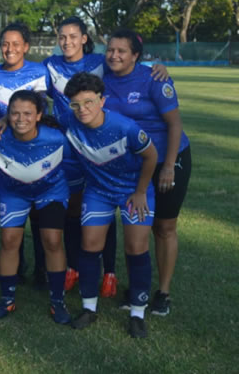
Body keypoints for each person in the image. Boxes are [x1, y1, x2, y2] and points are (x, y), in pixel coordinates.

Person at [44, 17, 168, 297]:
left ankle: (109, 272)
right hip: (74, 145)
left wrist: (156, 68)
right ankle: (75, 268)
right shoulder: (49, 64)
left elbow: (127, 63)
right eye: (62, 36)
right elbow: (32, 92)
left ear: (84, 39)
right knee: (79, 211)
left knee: (107, 210)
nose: (67, 42)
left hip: (109, 141)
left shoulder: (100, 62)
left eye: (73, 36)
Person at [103, 28, 191, 316]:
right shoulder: (103, 75)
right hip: (134, 165)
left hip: (168, 158)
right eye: (111, 50)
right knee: (135, 226)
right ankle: (136, 287)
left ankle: (163, 293)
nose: (114, 55)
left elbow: (175, 124)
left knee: (163, 227)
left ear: (135, 56)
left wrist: (168, 166)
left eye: (121, 51)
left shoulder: (154, 78)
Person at [63, 73, 158, 339]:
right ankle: (89, 307)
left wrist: (140, 191)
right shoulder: (69, 122)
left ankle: (137, 313)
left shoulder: (125, 127)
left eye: (89, 102)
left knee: (136, 247)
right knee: (90, 245)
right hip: (98, 191)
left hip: (134, 192)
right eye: (76, 104)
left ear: (102, 100)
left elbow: (152, 155)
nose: (83, 110)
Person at [0, 91, 71, 324]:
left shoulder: (56, 138)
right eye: (14, 113)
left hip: (50, 191)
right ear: (7, 115)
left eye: (27, 114)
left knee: (53, 241)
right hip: (13, 192)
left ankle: (57, 301)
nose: (20, 119)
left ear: (39, 115)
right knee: (9, 241)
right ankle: (7, 299)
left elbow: (73, 164)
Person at [0, 22, 49, 288]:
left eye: (15, 44)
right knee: (14, 211)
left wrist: (6, 119)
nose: (9, 49)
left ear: (26, 47)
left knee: (40, 212)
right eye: (5, 44)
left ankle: (43, 271)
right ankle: (17, 267)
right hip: (6, 154)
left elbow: (42, 105)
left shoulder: (39, 71)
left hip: (37, 149)